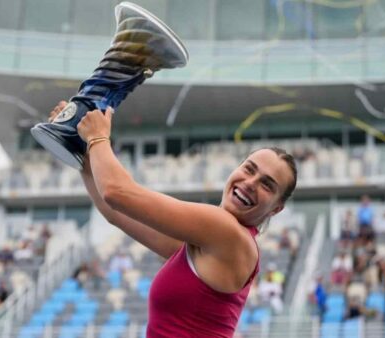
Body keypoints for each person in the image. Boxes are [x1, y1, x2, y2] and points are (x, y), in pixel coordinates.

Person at [49, 101, 298, 337]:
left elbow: (117, 192)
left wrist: (98, 137)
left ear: (276, 209)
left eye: (267, 184)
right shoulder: (207, 245)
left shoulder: (224, 230)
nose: (250, 183)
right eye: (249, 168)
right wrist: (81, 149)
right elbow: (114, 212)